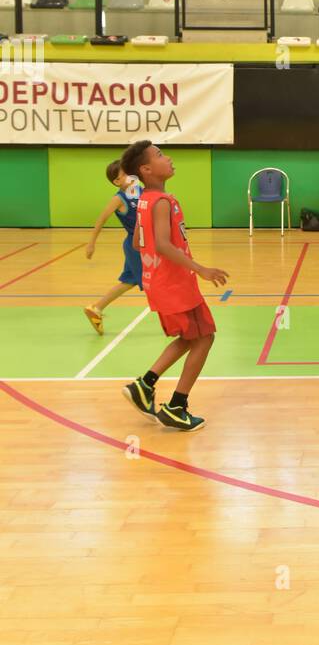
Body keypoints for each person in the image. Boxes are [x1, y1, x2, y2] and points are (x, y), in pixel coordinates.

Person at [120, 140, 228, 431]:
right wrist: (201, 269)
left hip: (160, 282)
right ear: (146, 169)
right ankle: (177, 406)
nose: (168, 159)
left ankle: (145, 386)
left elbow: (136, 241)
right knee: (205, 338)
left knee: (191, 337)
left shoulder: (144, 199)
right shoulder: (162, 202)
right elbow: (164, 245)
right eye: (159, 155)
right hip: (175, 283)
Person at [83, 160, 143, 333]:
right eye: (125, 174)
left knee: (128, 281)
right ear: (117, 181)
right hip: (135, 245)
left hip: (144, 243)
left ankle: (96, 309)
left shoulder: (138, 189)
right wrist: (91, 244)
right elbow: (101, 219)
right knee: (151, 282)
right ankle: (172, 317)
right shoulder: (119, 199)